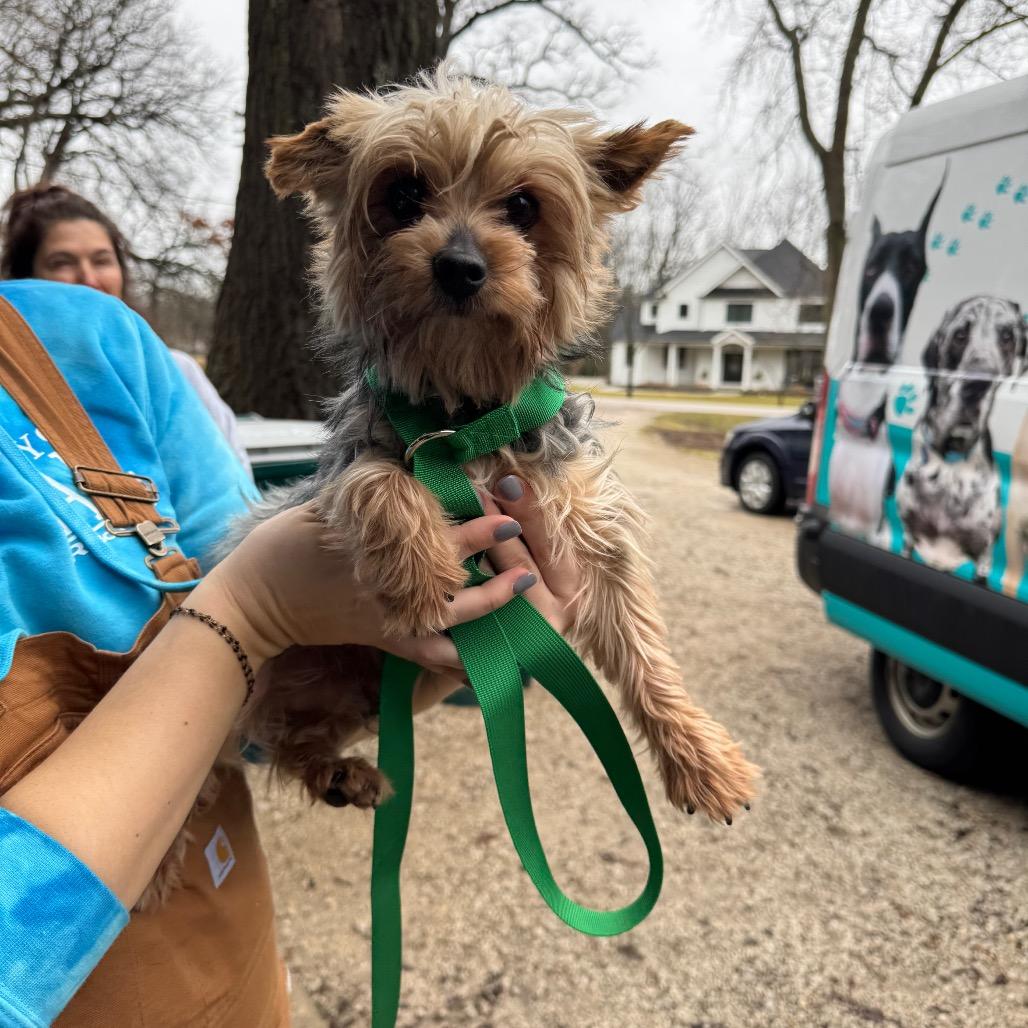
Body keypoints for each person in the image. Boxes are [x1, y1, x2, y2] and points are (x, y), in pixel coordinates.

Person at [0, 277, 580, 1026]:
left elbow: (266, 611)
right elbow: (255, 602)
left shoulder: (92, 340)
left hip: (234, 963)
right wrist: (248, 613)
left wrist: (429, 663)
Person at [0, 183, 252, 472]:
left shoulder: (173, 371)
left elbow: (230, 485)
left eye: (102, 260)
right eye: (61, 263)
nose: (89, 278)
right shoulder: (11, 387)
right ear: (26, 280)